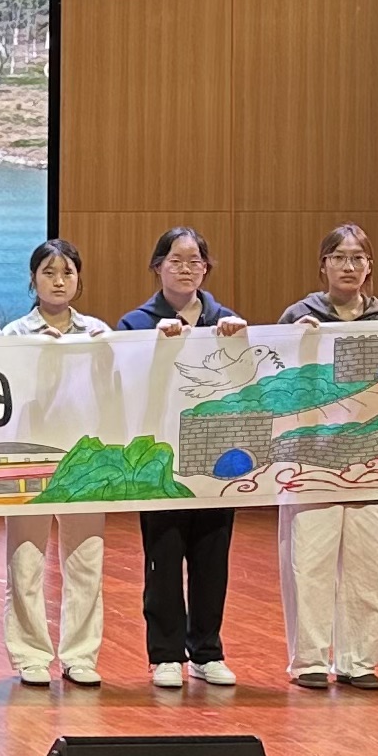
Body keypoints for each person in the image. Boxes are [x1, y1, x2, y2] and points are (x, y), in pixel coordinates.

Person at [121, 227, 251, 691]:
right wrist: (154, 346)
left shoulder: (228, 321)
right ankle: (165, 654)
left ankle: (207, 651)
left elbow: (248, 386)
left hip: (216, 458)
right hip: (160, 459)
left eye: (195, 261)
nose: (186, 269)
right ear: (158, 267)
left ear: (206, 269)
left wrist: (239, 344)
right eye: (176, 261)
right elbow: (125, 385)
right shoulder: (134, 324)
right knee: (163, 555)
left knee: (212, 556)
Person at [275, 225, 378, 689]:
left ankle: (358, 660)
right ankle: (309, 659)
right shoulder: (299, 316)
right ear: (323, 264)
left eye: (357, 258)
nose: (348, 267)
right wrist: (294, 342)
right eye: (339, 257)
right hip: (312, 459)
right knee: (309, 559)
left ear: (369, 266)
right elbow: (278, 381)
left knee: (373, 563)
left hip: (371, 459)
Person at [0, 240, 110, 689]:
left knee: (85, 559)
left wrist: (106, 356)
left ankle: (80, 655)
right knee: (25, 560)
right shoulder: (13, 335)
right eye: (49, 272)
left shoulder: (97, 333)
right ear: (33, 279)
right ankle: (29, 655)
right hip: (30, 457)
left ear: (79, 279)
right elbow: (3, 398)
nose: (59, 281)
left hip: (85, 460)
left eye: (67, 272)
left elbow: (118, 392)